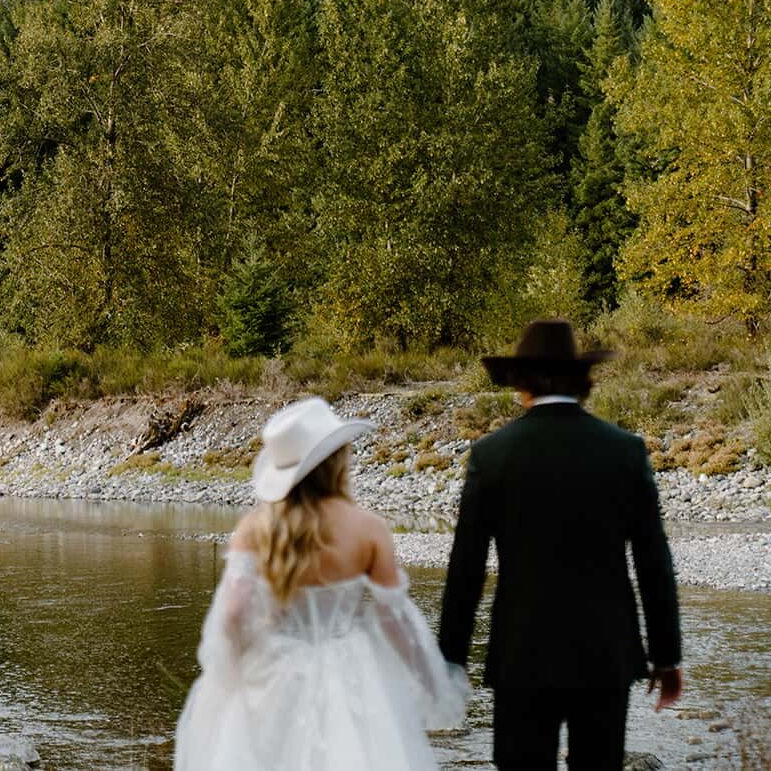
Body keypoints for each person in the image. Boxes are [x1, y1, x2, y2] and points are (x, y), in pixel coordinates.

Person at [439, 319, 683, 771]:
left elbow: (465, 568)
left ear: (521, 382)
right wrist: (666, 655)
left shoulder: (493, 454)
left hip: (521, 653)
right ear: (581, 380)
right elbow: (653, 561)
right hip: (605, 653)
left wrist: (451, 657)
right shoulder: (624, 450)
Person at [174, 396, 468, 771]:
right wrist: (433, 683)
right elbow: (397, 621)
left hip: (271, 670)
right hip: (347, 673)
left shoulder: (254, 529)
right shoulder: (368, 529)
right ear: (337, 461)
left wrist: (233, 671)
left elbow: (231, 615)